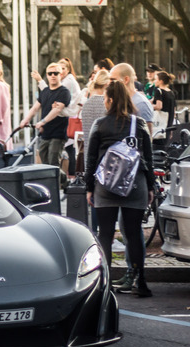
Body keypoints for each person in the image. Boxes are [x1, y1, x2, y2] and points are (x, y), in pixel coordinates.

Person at [84, 80, 155, 297]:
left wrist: (89, 187)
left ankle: (105, 281)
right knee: (134, 233)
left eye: (105, 98)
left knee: (105, 233)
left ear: (111, 100)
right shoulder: (139, 123)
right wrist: (151, 186)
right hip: (135, 184)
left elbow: (92, 158)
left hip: (106, 186)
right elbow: (148, 158)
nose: (104, 102)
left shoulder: (100, 124)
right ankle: (140, 280)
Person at [20, 62, 71, 187]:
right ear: (47, 75)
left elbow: (57, 110)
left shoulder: (64, 92)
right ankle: (64, 181)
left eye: (56, 73)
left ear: (61, 74)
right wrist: (25, 119)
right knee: (44, 161)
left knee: (53, 160)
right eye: (50, 73)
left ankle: (54, 189)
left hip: (58, 133)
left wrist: (42, 121)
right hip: (45, 133)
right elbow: (35, 108)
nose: (53, 76)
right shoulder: (45, 91)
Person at [81, 69, 110, 234]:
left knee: (93, 199)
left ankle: (95, 231)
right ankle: (107, 234)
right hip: (104, 156)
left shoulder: (87, 103)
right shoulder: (104, 104)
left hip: (88, 156)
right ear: (106, 84)